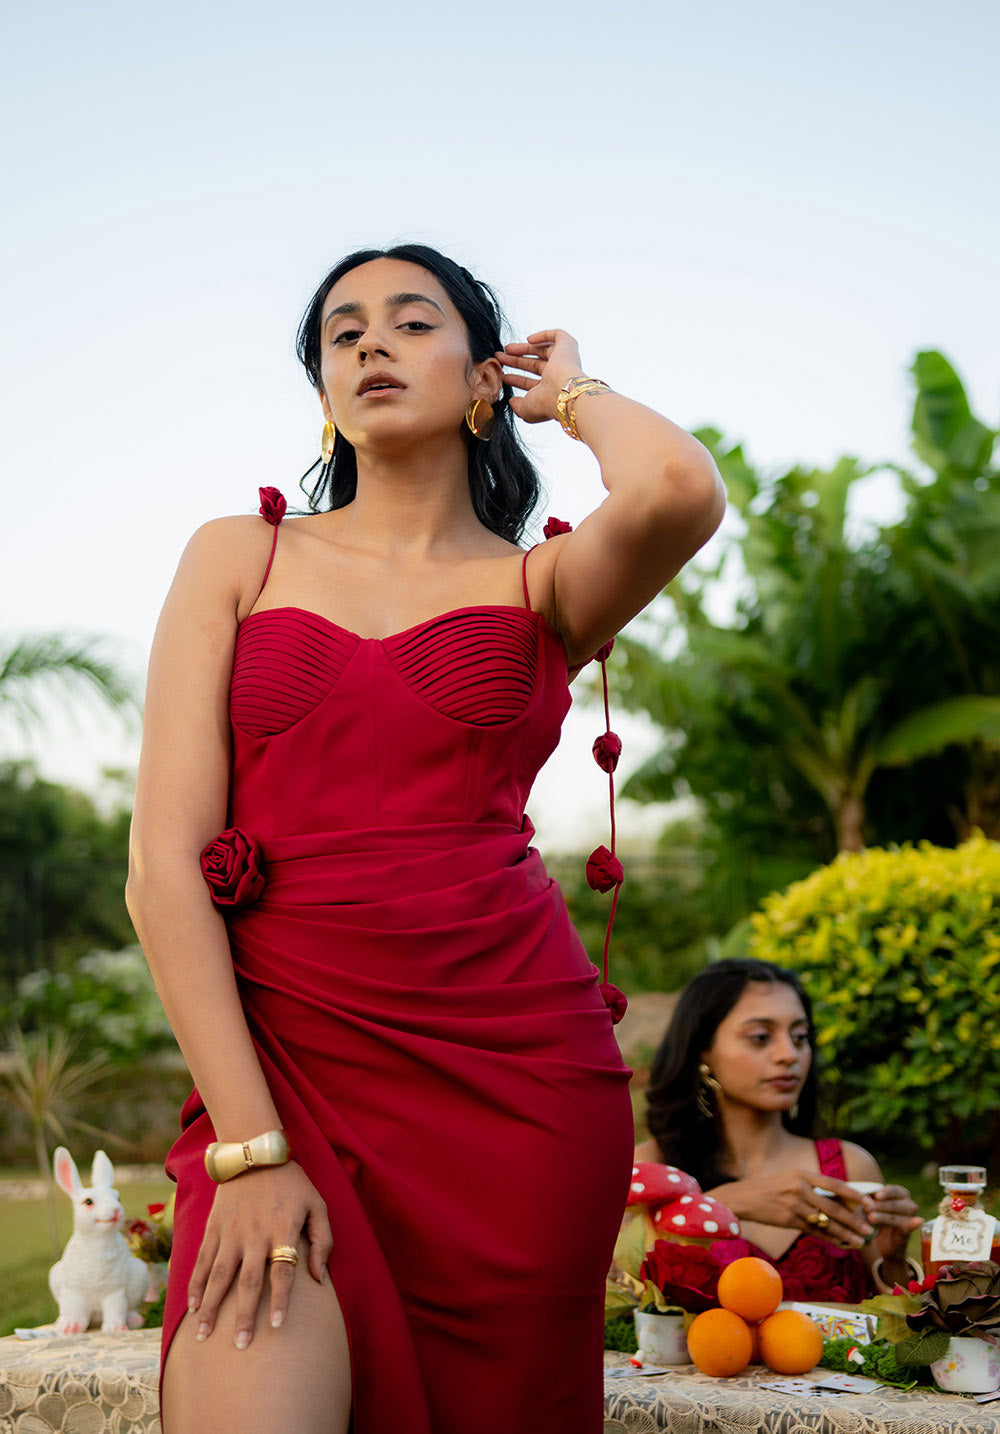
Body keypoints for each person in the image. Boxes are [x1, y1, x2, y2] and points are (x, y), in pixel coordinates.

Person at [125, 243, 725, 1434]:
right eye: (342, 333)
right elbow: (161, 873)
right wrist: (251, 1149)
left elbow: (674, 489)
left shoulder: (545, 584)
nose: (370, 344)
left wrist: (571, 393)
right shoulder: (239, 556)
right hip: (284, 1068)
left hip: (514, 1087)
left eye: (410, 321)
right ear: (323, 391)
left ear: (482, 375)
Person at [636, 958, 922, 1301]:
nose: (789, 1055)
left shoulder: (847, 1168)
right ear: (703, 1051)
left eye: (800, 1037)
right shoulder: (651, 1172)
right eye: (760, 1037)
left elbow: (893, 1317)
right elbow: (620, 1293)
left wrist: (893, 1259)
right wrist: (723, 1203)